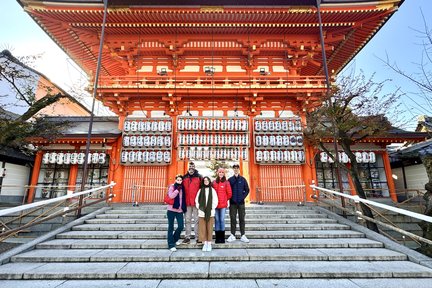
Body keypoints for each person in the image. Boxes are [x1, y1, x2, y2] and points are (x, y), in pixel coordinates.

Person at [227, 164, 250, 243]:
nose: (236, 170)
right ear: (233, 170)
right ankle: (232, 235)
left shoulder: (243, 179)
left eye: (237, 168)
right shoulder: (230, 180)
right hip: (232, 203)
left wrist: (242, 197)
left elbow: (247, 190)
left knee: (242, 219)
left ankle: (243, 235)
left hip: (241, 203)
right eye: (234, 168)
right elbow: (227, 190)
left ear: (239, 169)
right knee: (233, 219)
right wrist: (231, 198)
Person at [195, 176, 218, 252]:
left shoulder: (213, 190)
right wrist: (199, 207)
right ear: (203, 182)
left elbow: (215, 200)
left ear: (209, 181)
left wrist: (211, 207)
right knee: (202, 229)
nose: (206, 181)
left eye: (207, 180)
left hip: (210, 212)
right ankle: (204, 243)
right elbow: (196, 200)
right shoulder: (200, 190)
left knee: (209, 228)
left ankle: (209, 243)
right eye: (204, 180)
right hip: (202, 212)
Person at [182, 162, 202, 244]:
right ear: (188, 167)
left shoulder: (199, 177)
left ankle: (197, 237)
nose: (191, 168)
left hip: (196, 203)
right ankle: (187, 237)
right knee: (187, 220)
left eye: (193, 166)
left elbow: (202, 189)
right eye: (190, 166)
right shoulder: (184, 177)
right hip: (187, 203)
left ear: (195, 167)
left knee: (197, 220)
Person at [166, 174, 186, 252]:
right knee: (170, 227)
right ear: (175, 180)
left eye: (180, 180)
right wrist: (177, 190)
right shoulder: (172, 187)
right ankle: (171, 245)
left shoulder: (183, 188)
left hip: (179, 210)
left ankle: (175, 239)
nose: (179, 181)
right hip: (171, 210)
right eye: (178, 180)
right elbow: (171, 196)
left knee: (181, 226)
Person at [212, 167, 232, 243]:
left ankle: (222, 238)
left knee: (222, 220)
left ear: (224, 174)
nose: (221, 173)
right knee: (217, 220)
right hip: (216, 205)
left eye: (222, 172)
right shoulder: (214, 182)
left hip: (223, 205)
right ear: (218, 173)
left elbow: (229, 194)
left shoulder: (226, 182)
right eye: (220, 172)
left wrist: (225, 199)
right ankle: (217, 237)